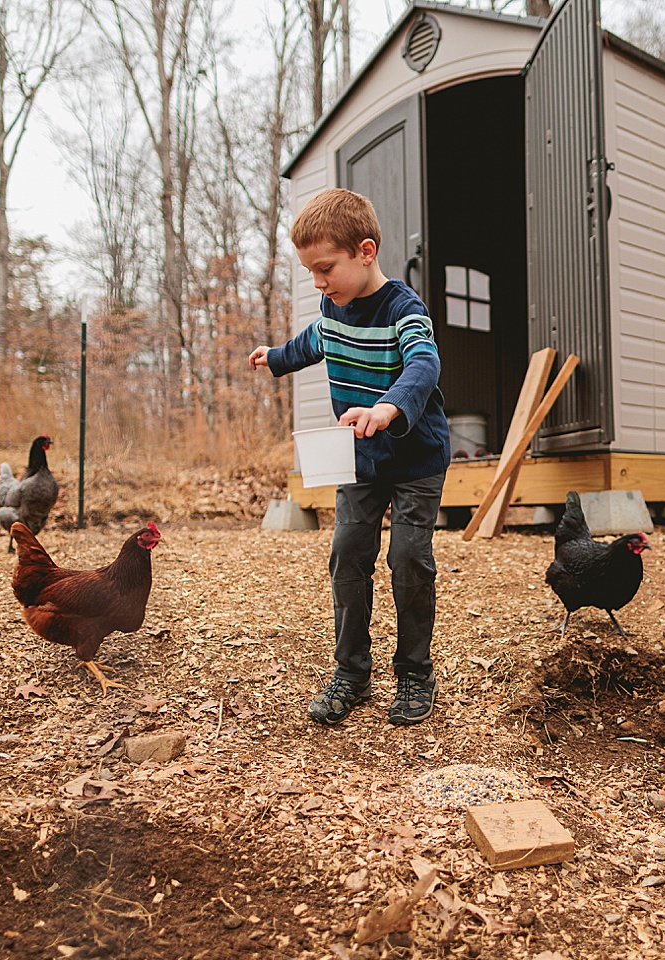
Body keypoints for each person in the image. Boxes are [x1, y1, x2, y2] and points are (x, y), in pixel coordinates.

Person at [249, 188, 451, 727]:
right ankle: (351, 671)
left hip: (415, 457)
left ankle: (414, 672)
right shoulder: (330, 304)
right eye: (311, 272)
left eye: (325, 269)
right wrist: (277, 358)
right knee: (347, 555)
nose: (318, 282)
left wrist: (388, 407)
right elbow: (319, 339)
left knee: (408, 559)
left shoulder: (405, 309)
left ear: (365, 251)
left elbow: (423, 365)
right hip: (359, 458)